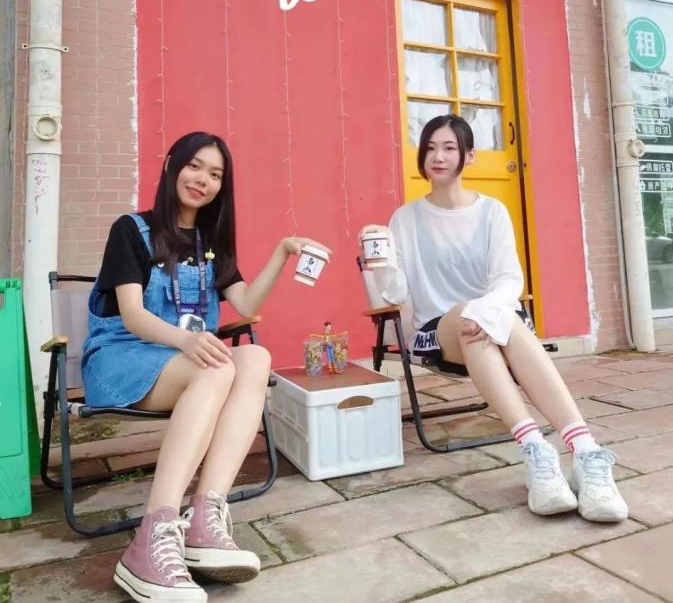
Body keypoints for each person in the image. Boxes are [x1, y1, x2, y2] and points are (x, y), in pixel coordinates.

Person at [82, 131, 330, 602]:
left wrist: (281, 253)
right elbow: (132, 315)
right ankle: (151, 536)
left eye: (215, 174)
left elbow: (247, 304)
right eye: (194, 166)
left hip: (186, 360)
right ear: (172, 165)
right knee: (217, 367)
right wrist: (187, 339)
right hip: (121, 359)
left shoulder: (210, 244)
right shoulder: (131, 230)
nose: (203, 180)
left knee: (254, 357)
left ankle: (203, 520)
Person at [360, 114, 628, 524]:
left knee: (489, 324)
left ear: (468, 156)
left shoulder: (491, 212)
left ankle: (575, 454)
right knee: (474, 319)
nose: (437, 156)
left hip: (489, 323)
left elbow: (509, 279)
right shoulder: (405, 219)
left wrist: (483, 311)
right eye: (430, 148)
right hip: (437, 331)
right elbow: (394, 295)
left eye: (449, 148)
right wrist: (379, 262)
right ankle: (552, 453)